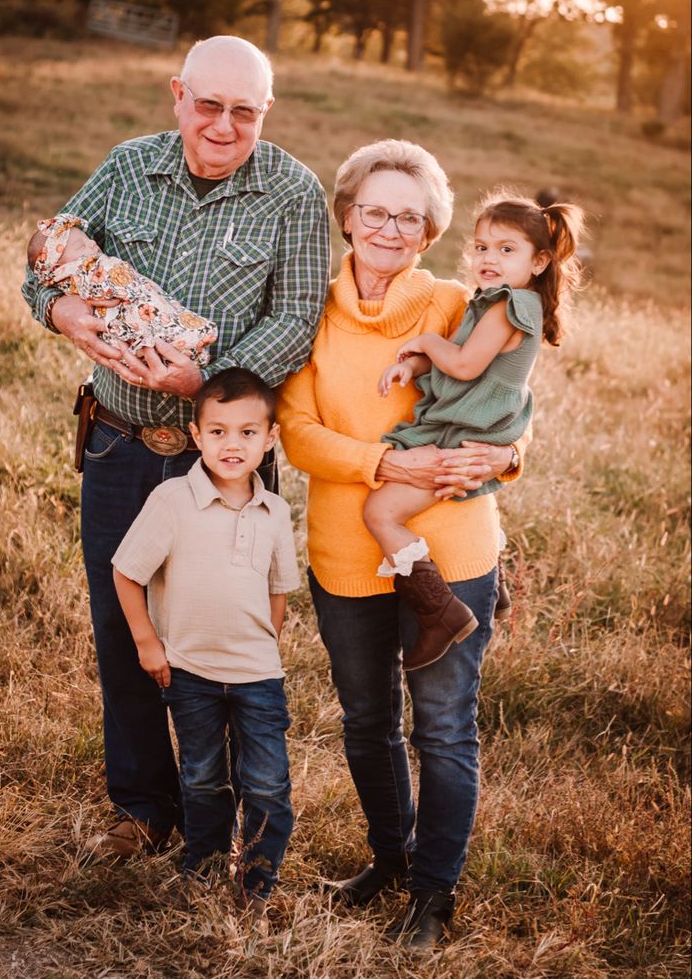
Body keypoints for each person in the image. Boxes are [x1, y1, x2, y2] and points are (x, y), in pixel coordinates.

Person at [21, 35, 330, 859]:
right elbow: (47, 259)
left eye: (245, 111)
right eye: (208, 104)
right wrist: (64, 313)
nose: (223, 126)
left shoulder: (294, 194)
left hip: (222, 457)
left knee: (222, 639)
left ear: (265, 112)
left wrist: (210, 389)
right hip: (119, 445)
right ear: (177, 96)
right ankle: (142, 808)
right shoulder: (128, 167)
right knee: (126, 629)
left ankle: (221, 817)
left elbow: (296, 320)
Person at [276, 139, 530, 951]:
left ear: (429, 232)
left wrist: (513, 455)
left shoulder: (460, 303)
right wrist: (385, 460)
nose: (390, 227)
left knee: (446, 728)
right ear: (348, 218)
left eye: (409, 216)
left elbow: (512, 391)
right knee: (366, 720)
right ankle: (390, 858)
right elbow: (297, 432)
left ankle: (433, 896)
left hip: (452, 548)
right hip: (346, 550)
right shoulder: (307, 310)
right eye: (375, 211)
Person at [363, 190, 583, 670]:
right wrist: (418, 364)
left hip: (462, 431)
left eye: (507, 250)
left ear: (540, 261)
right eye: (482, 246)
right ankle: (496, 584)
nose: (488, 257)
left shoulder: (507, 305)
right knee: (434, 495)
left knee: (380, 512)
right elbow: (466, 364)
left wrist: (425, 341)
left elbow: (462, 365)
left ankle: (440, 612)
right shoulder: (494, 302)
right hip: (468, 423)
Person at [112, 369, 298, 929]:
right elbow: (126, 571)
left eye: (246, 432)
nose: (231, 445)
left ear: (270, 438)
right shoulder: (173, 499)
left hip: (258, 674)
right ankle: (205, 865)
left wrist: (261, 648)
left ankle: (257, 880)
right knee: (201, 775)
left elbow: (278, 592)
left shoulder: (276, 513)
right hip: (189, 669)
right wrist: (149, 645)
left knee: (266, 779)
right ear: (196, 436)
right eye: (217, 432)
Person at [28, 216, 217, 368]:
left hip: (131, 322)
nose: (93, 244)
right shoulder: (86, 272)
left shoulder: (81, 270)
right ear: (59, 268)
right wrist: (57, 307)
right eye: (81, 246)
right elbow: (119, 284)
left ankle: (192, 353)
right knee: (162, 327)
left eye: (88, 240)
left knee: (161, 331)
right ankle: (194, 339)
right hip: (134, 313)